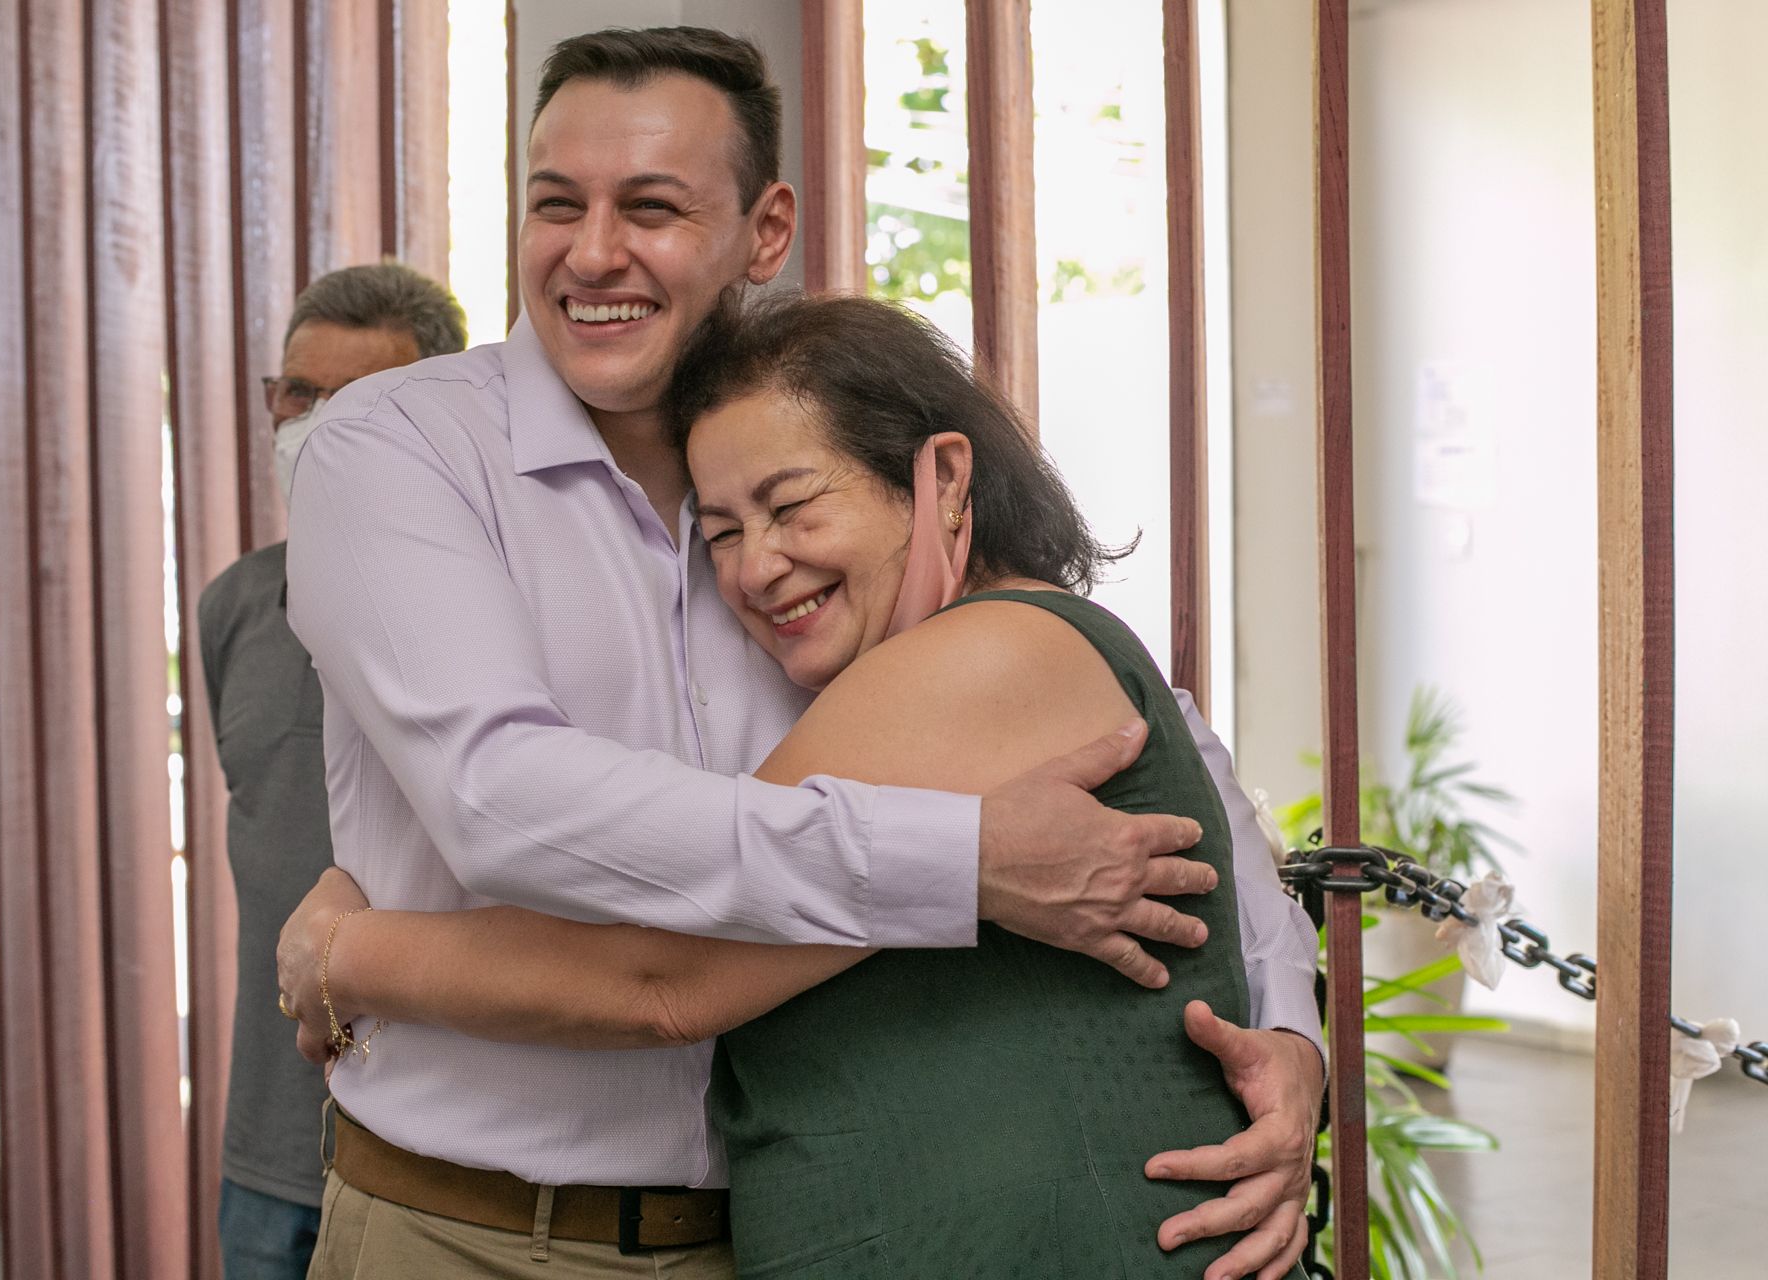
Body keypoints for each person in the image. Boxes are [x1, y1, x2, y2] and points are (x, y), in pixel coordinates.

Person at [282, 26, 1321, 1280]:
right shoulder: (396, 448)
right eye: (557, 205)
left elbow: (1157, 738)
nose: (593, 252)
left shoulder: (811, 444)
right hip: (471, 1230)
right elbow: (498, 800)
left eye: (651, 208)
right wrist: (961, 857)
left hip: (767, 1230)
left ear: (765, 229)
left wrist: (1291, 1032)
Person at [196, 261, 465, 1280]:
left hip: (434, 1158)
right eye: (297, 394)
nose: (312, 425)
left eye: (353, 400)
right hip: (267, 1158)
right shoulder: (235, 606)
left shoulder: (486, 611)